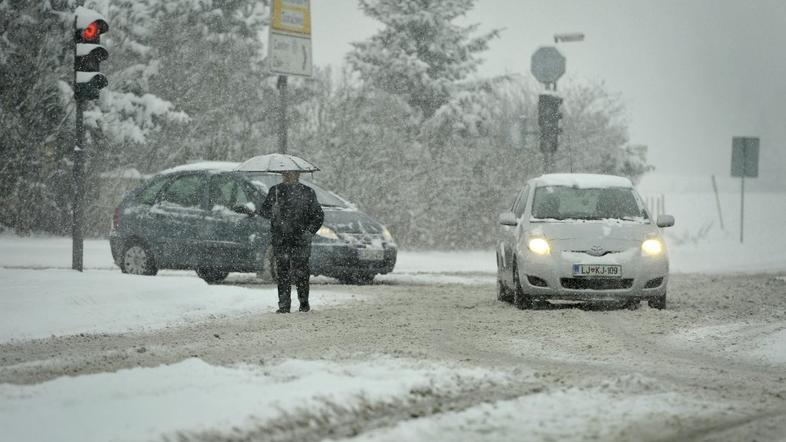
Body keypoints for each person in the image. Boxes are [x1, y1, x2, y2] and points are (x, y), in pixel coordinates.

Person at [259, 170, 324, 313]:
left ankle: (304, 303)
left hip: (301, 239)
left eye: (290, 174)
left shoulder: (307, 192)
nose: (287, 176)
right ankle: (284, 305)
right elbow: (263, 211)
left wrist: (309, 232)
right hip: (280, 239)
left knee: (301, 271)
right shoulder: (275, 191)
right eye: (284, 174)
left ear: (297, 175)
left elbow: (318, 216)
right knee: (283, 272)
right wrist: (272, 211)